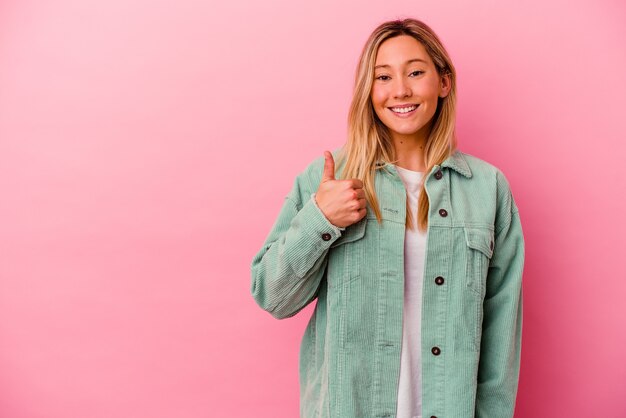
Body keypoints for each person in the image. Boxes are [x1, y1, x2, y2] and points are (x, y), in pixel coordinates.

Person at [250, 18, 524, 418]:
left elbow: (502, 335)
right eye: (383, 77)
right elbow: (272, 295)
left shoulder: (488, 189)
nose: (401, 90)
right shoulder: (328, 179)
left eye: (415, 72)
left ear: (443, 82)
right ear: (368, 89)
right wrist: (321, 219)